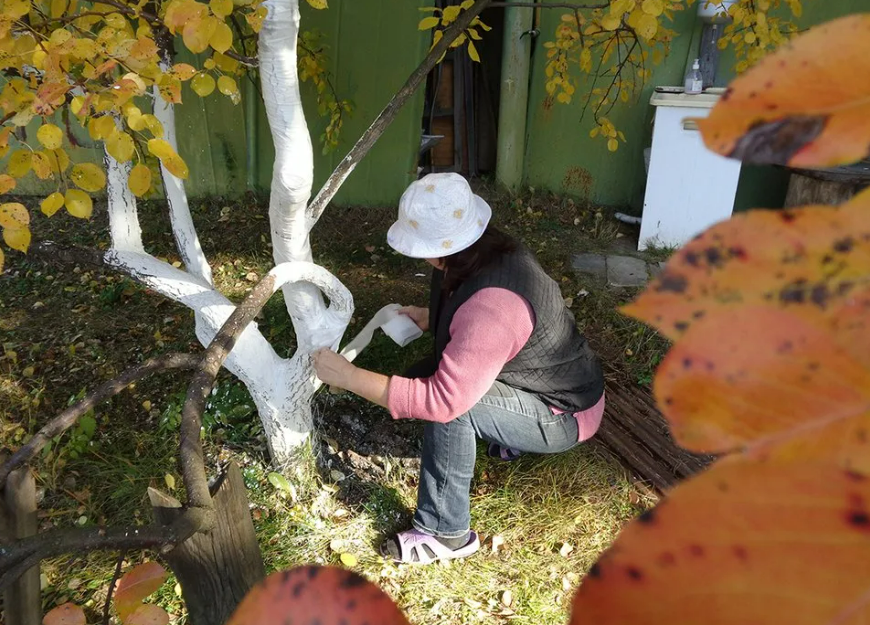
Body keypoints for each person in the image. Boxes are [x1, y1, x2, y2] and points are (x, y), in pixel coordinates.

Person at [312, 173, 605, 565]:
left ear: (437, 249)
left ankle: (445, 532)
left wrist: (348, 377)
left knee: (453, 409)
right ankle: (507, 431)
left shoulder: (492, 307)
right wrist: (431, 316)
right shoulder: (482, 252)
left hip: (564, 414)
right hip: (544, 380)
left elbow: (443, 401)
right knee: (420, 380)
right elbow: (478, 320)